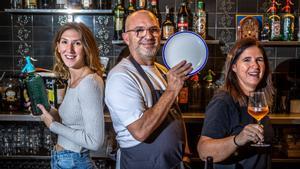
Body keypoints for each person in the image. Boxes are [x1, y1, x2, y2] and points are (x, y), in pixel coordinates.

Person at [105, 10, 192, 169]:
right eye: (139, 30)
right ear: (126, 38)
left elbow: (175, 114)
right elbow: (140, 131)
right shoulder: (121, 76)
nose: (149, 36)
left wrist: (185, 155)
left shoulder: (163, 70)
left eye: (154, 29)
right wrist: (171, 91)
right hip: (142, 163)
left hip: (173, 163)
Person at [197, 38, 275, 169]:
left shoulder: (257, 100)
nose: (255, 65)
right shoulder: (223, 101)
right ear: (234, 67)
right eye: (247, 60)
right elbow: (204, 151)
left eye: (259, 60)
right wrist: (238, 139)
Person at [37, 22, 105, 169]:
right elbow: (72, 122)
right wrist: (46, 108)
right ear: (58, 46)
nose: (69, 49)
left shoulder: (88, 83)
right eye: (64, 42)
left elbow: (95, 141)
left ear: (86, 48)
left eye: (77, 43)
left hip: (74, 161)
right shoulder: (72, 78)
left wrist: (53, 126)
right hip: (64, 160)